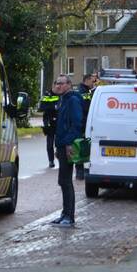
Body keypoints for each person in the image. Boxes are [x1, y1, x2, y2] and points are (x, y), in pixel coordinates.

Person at [52, 74, 84, 227]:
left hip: (68, 145)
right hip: (62, 145)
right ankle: (65, 214)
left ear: (69, 84)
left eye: (61, 83)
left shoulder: (72, 100)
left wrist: (69, 143)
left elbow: (76, 124)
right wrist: (58, 146)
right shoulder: (63, 99)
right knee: (63, 180)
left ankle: (69, 216)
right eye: (57, 83)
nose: (58, 86)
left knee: (65, 180)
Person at [75, 72, 97, 180]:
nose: (93, 83)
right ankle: (79, 171)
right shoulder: (82, 91)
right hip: (82, 123)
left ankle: (81, 171)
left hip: (84, 122)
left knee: (82, 146)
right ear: (87, 80)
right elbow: (87, 106)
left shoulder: (85, 90)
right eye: (92, 81)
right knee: (80, 146)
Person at [38, 82, 60, 168]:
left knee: (59, 142)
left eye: (59, 86)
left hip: (59, 121)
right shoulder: (47, 95)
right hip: (49, 121)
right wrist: (53, 107)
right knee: (50, 143)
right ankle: (51, 161)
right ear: (53, 86)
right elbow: (41, 107)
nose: (58, 87)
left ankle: (59, 157)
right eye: (57, 86)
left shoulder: (61, 95)